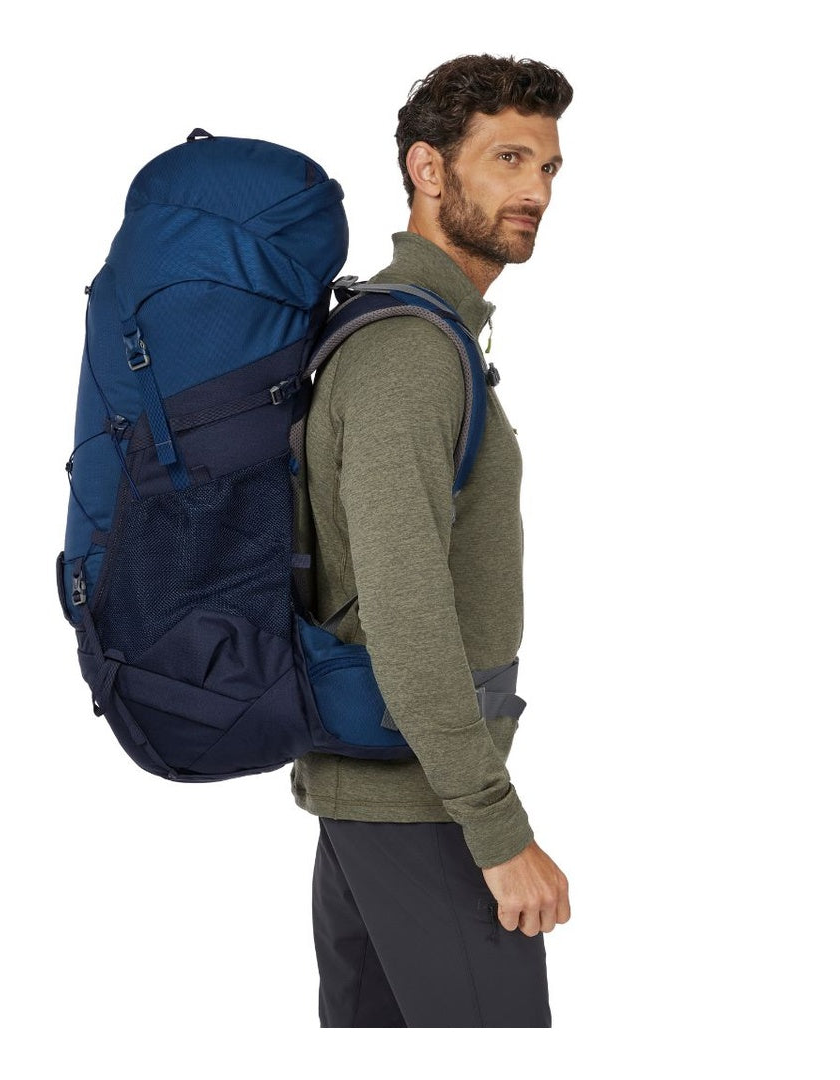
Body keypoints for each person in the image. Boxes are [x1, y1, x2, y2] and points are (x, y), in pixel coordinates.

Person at [290, 54, 574, 1028]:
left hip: (380, 796)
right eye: (508, 159)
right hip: (424, 810)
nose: (536, 191)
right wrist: (497, 831)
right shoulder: (409, 354)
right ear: (428, 169)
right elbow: (406, 614)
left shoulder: (418, 334)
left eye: (548, 166)